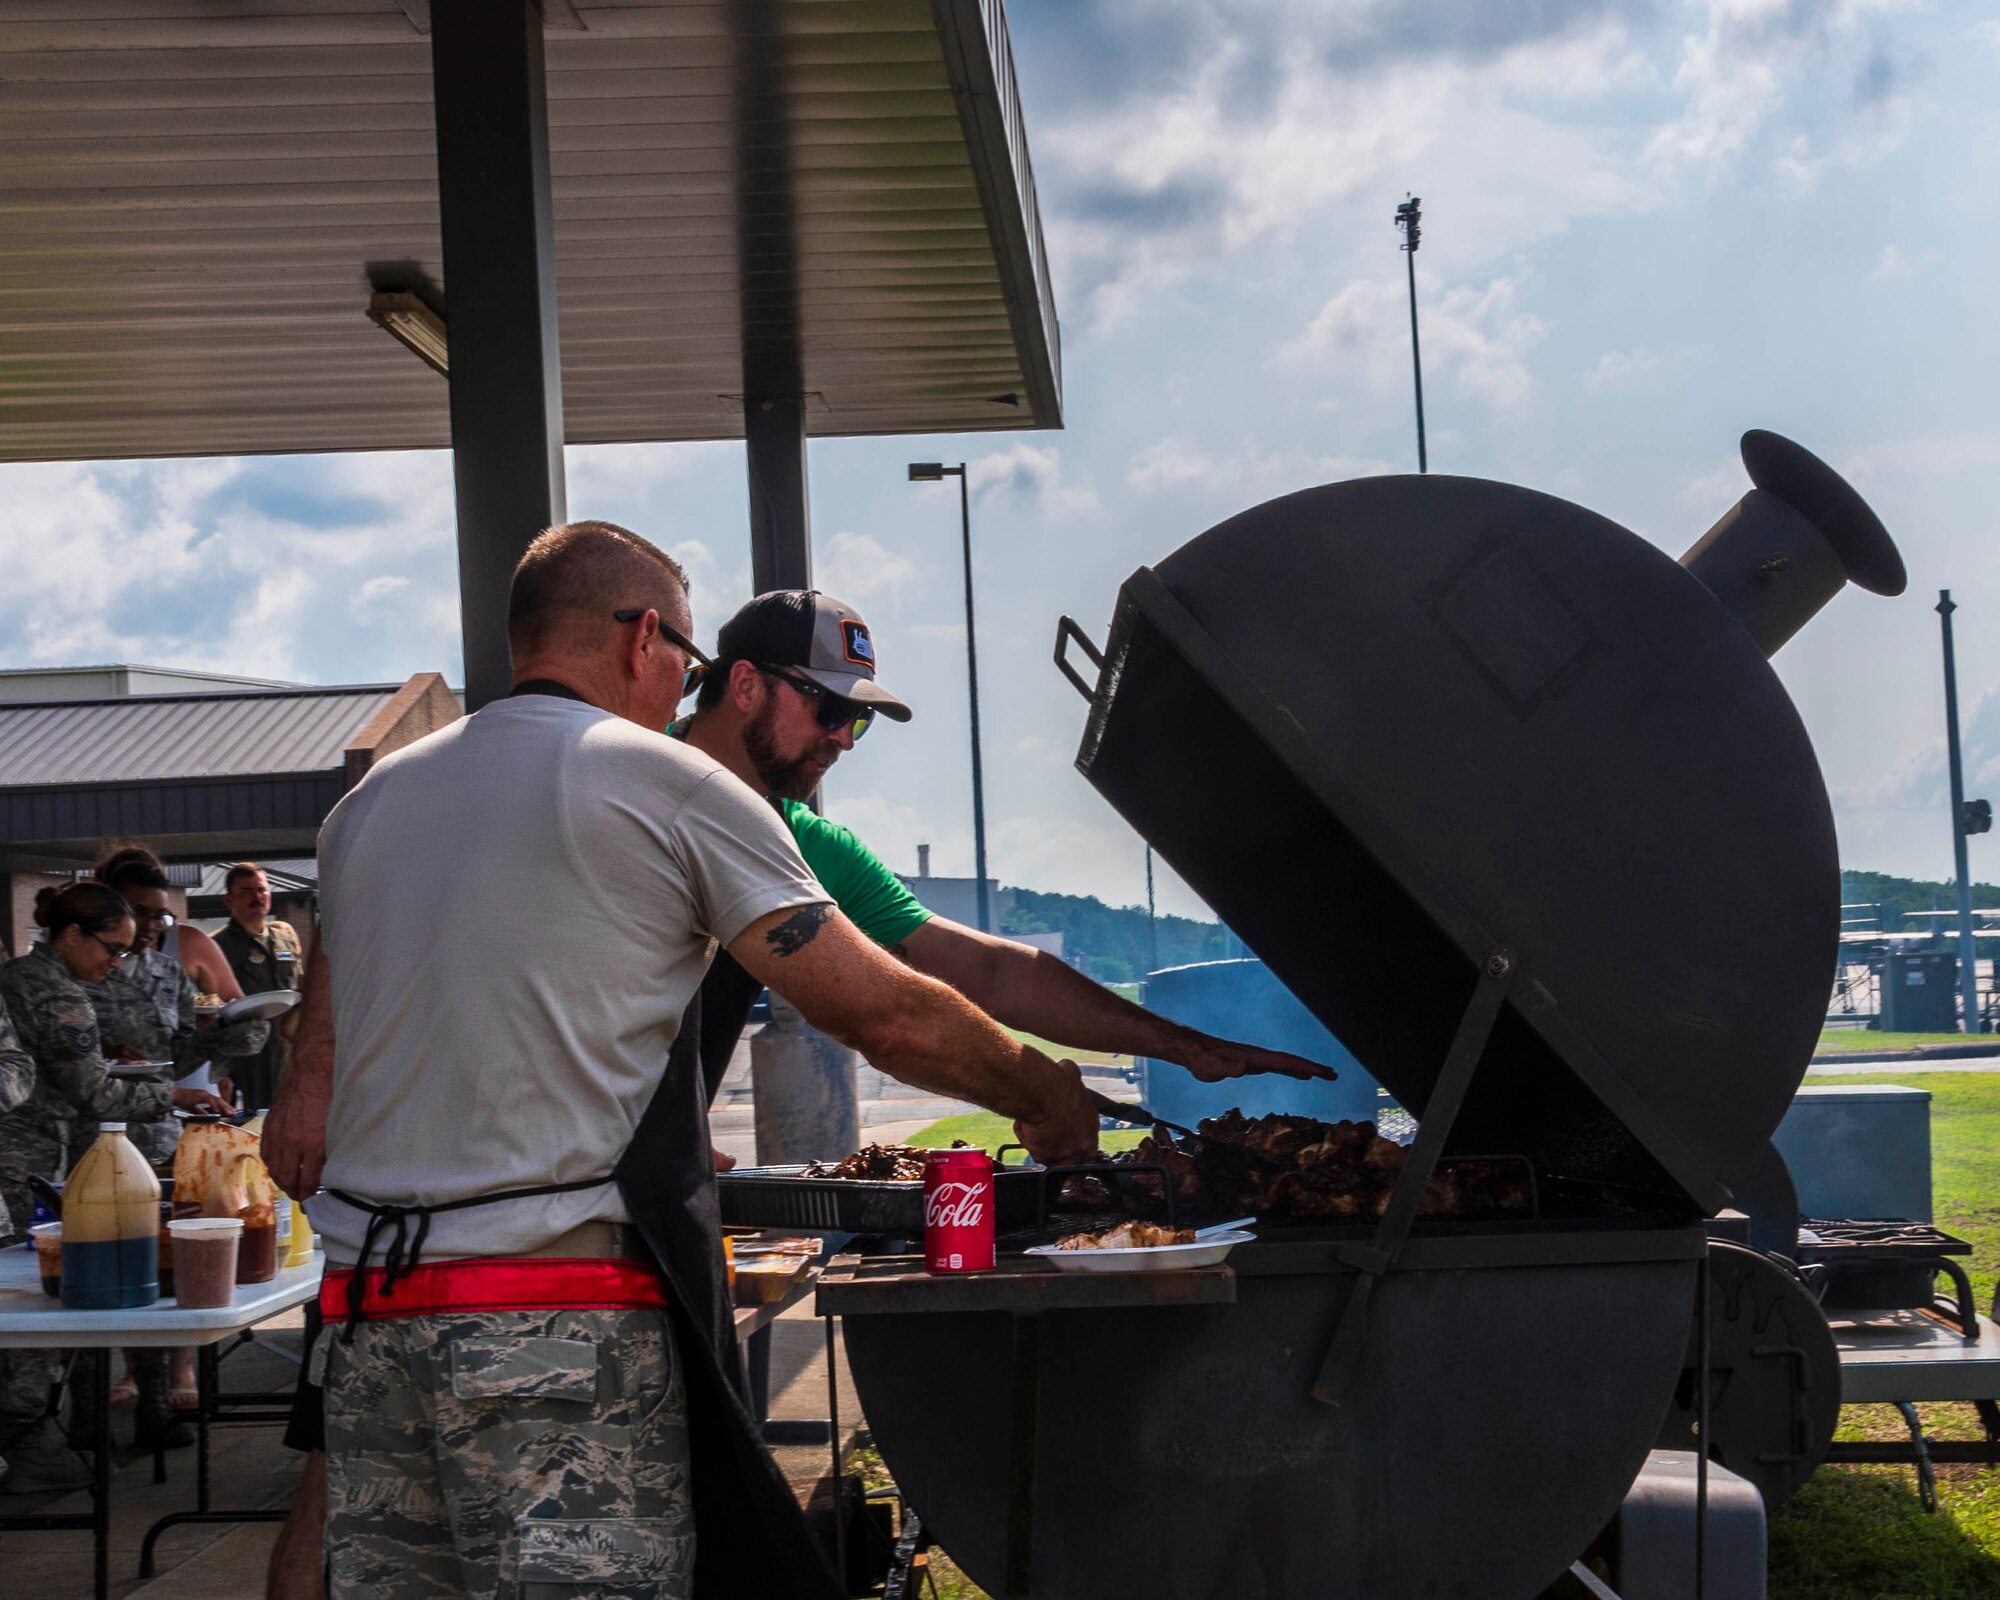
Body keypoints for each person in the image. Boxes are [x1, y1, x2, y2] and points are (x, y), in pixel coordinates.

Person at [261, 520, 1094, 1600]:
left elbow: (317, 1049)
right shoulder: (662, 782)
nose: (681, 689)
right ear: (642, 635)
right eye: (686, 663)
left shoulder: (368, 805)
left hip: (374, 1323)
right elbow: (877, 1013)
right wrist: (1037, 1089)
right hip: (552, 1322)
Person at [673, 589, 1335, 1098]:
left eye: (860, 721)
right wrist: (1037, 1094)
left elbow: (992, 972)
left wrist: (1182, 1045)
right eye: (832, 710)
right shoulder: (627, 785)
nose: (845, 739)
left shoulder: (801, 841)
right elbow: (886, 1020)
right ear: (746, 686)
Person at [0, 885, 232, 1493]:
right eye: (112, 948)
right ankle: (26, 1437)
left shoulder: (27, 979)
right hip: (23, 1161)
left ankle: (49, 1434)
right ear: (71, 935)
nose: (118, 963)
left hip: (36, 1155)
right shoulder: (55, 991)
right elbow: (93, 1092)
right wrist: (175, 1096)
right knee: (31, 1301)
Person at [87, 846, 269, 1447]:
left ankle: (161, 1396)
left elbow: (186, 1049)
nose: (152, 930)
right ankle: (101, 1401)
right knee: (98, 1268)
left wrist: (237, 1033)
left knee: (165, 1263)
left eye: (162, 917)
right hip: (92, 1140)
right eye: (142, 915)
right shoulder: (77, 969)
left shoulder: (166, 970)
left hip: (161, 1134)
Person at [213, 864, 304, 1113]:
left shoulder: (285, 938)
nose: (257, 897)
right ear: (228, 899)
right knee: (251, 1128)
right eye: (246, 891)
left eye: (261, 889)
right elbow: (210, 1012)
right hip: (245, 1058)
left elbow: (299, 986)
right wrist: (220, 1071)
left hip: (286, 1051)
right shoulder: (216, 946)